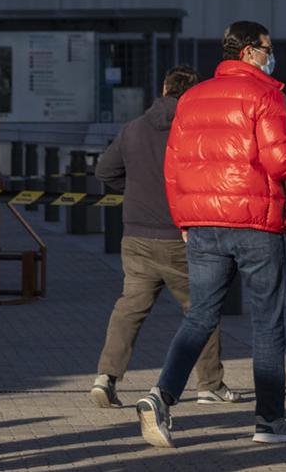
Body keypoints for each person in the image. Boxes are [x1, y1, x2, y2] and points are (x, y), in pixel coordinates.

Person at [136, 22, 286, 449]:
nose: (270, 55)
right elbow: (280, 163)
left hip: (203, 224)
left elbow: (173, 168)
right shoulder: (266, 94)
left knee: (200, 316)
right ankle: (269, 420)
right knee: (267, 323)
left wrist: (184, 221)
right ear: (247, 52)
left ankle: (161, 395)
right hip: (254, 222)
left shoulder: (190, 98)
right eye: (267, 48)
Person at [89, 66, 242, 409]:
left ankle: (106, 377)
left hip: (137, 235)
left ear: (163, 88)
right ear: (193, 95)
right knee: (201, 310)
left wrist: (136, 193)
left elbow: (104, 171)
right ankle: (210, 384)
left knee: (129, 309)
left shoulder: (132, 129)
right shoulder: (196, 129)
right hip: (182, 235)